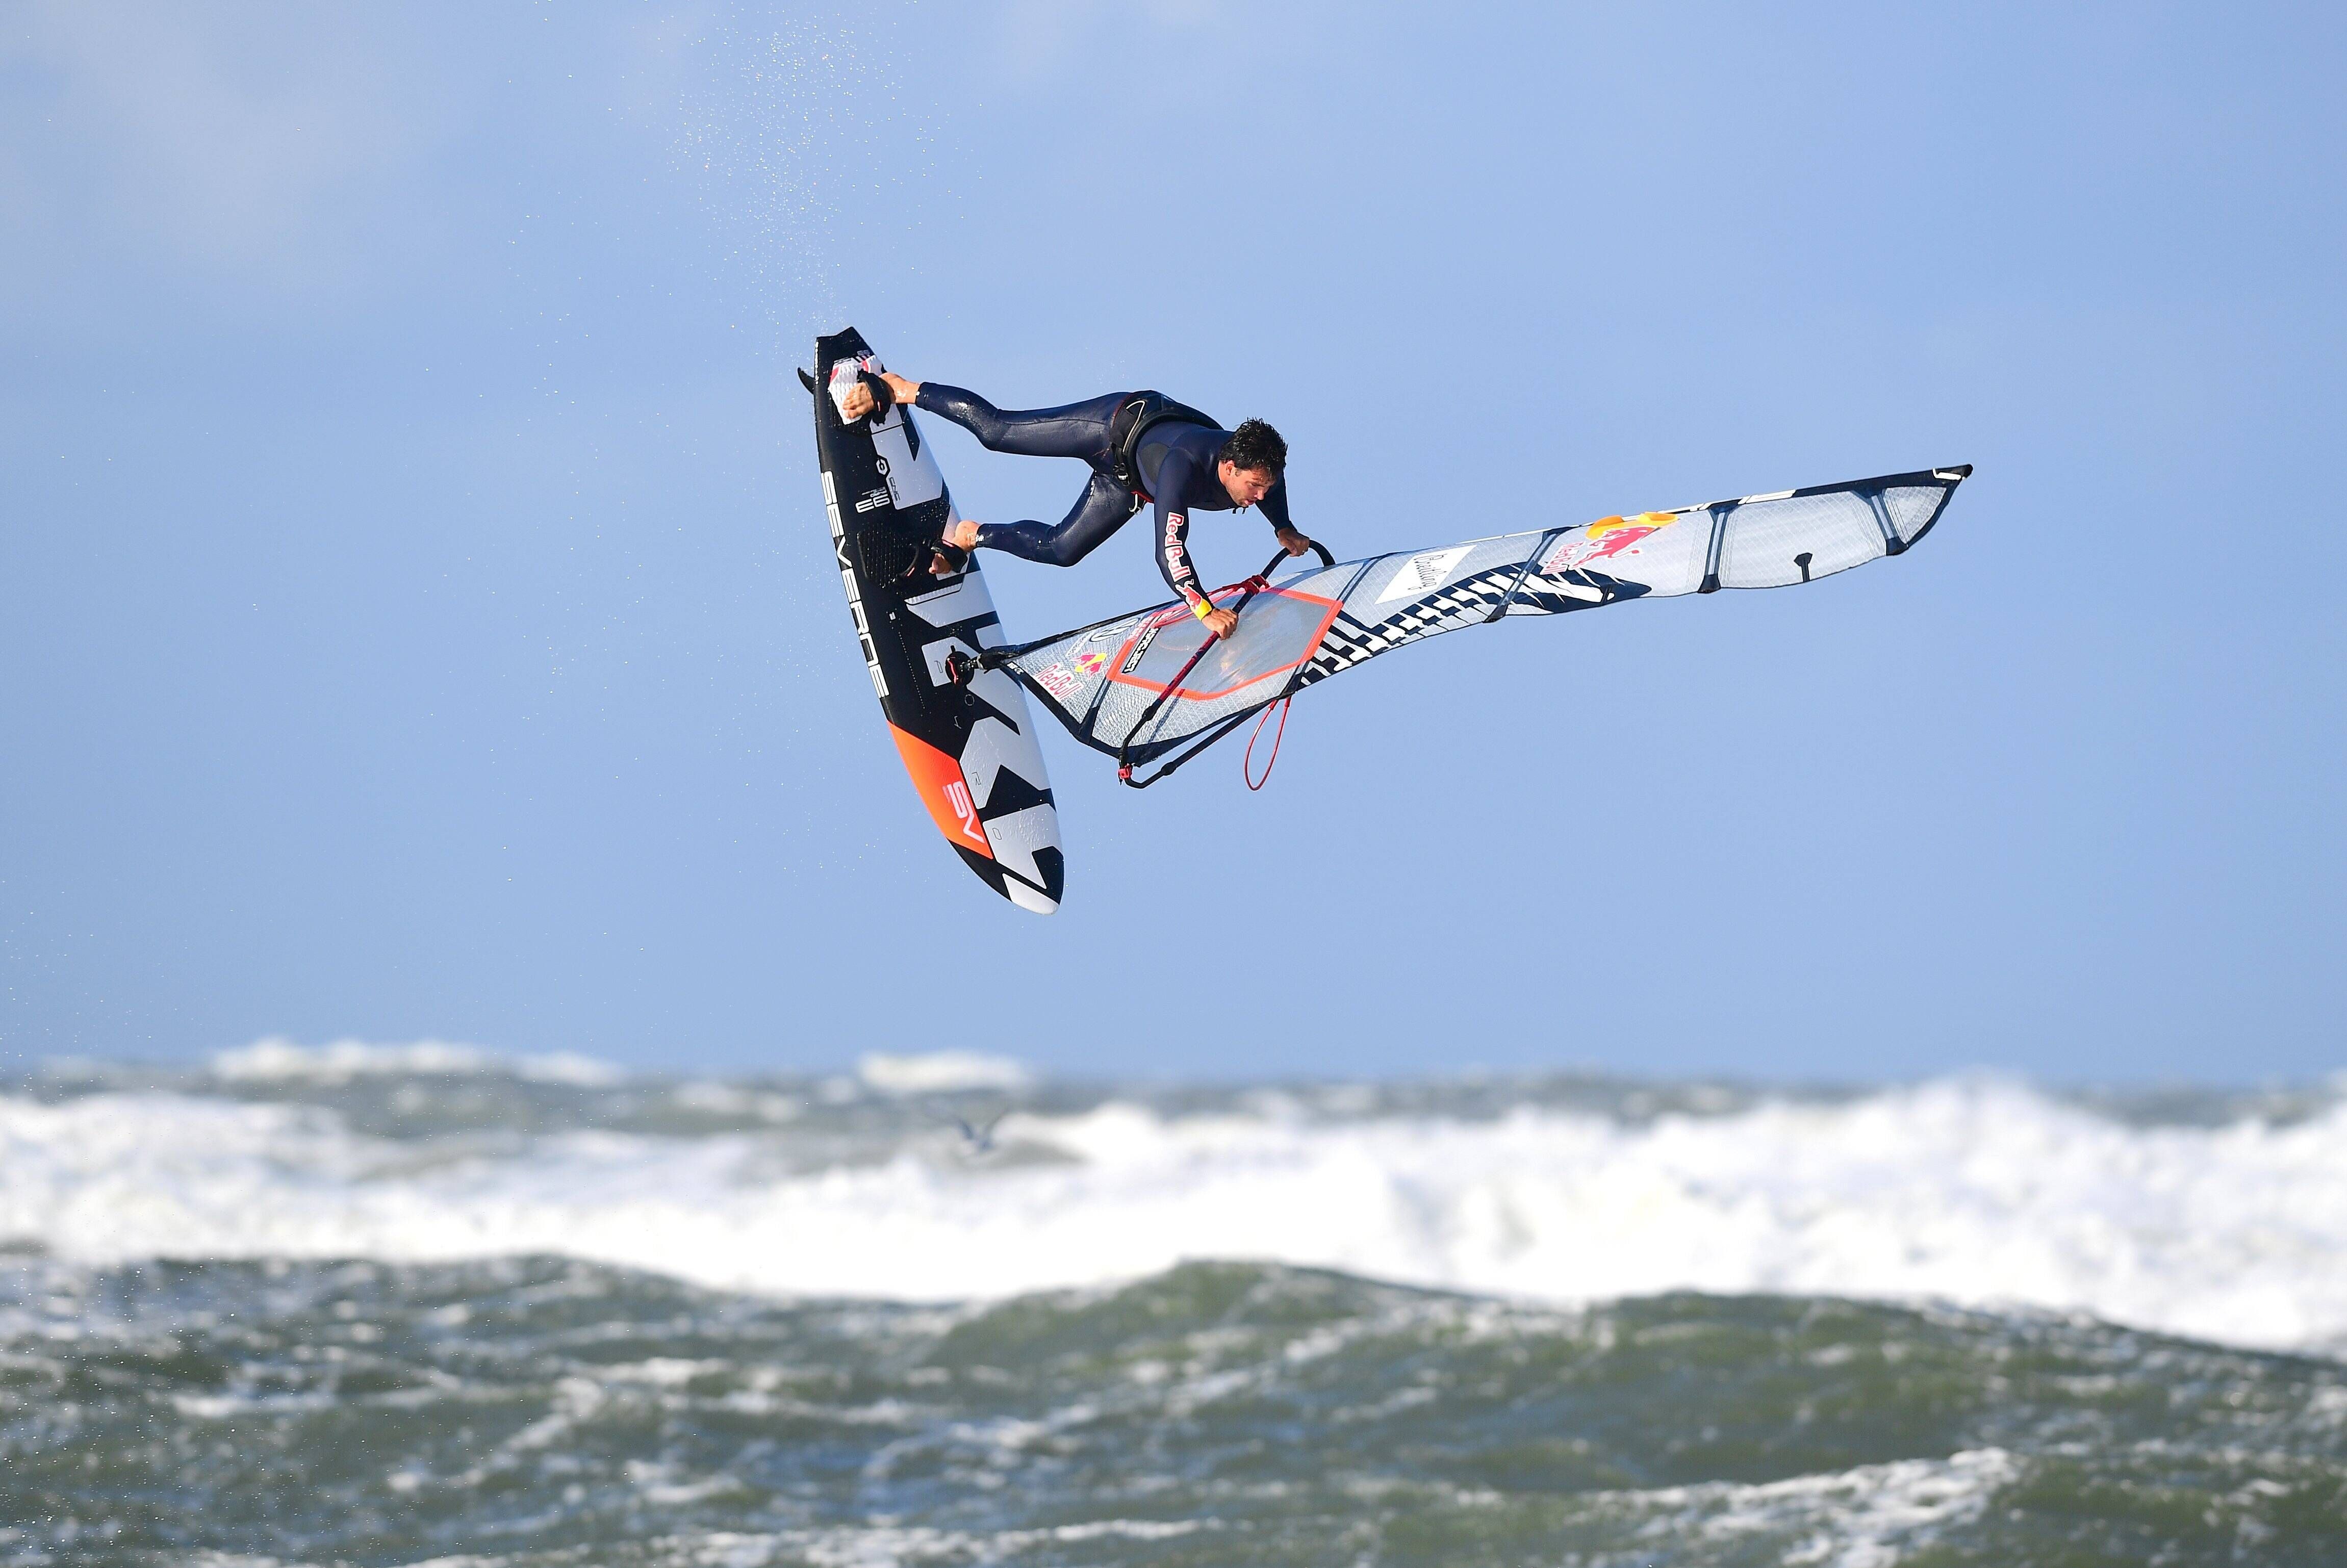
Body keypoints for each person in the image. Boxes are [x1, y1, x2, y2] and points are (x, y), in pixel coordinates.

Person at [839, 370, 1310, 638]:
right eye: (1255, 486)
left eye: (1268, 487)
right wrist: (1206, 611)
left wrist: (1282, 527)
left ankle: (970, 536)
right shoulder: (1182, 470)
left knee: (1063, 550)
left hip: (1129, 481)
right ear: (1228, 468)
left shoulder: (1260, 468)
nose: (1262, 495)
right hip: (1110, 428)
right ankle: (899, 388)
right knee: (996, 433)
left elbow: (1277, 486)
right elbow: (1169, 552)